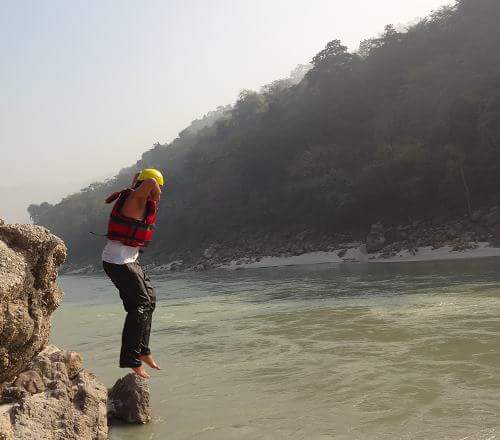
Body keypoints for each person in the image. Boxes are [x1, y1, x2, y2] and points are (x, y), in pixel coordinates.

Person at [102, 168, 164, 379]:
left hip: (129, 261)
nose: (159, 193)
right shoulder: (134, 199)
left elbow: (145, 184)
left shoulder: (138, 200)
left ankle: (143, 350)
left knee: (150, 300)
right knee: (140, 305)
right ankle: (131, 359)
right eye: (159, 188)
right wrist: (152, 185)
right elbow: (149, 185)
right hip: (118, 262)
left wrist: (142, 180)